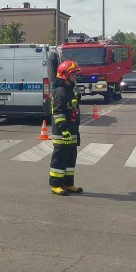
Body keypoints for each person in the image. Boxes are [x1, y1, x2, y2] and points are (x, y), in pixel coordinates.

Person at [48, 60, 83, 196]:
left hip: (71, 131)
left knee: (70, 159)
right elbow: (58, 113)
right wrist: (64, 131)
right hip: (63, 133)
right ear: (65, 75)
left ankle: (68, 184)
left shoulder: (69, 91)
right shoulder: (60, 92)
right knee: (60, 159)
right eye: (73, 74)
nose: (75, 76)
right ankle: (56, 185)